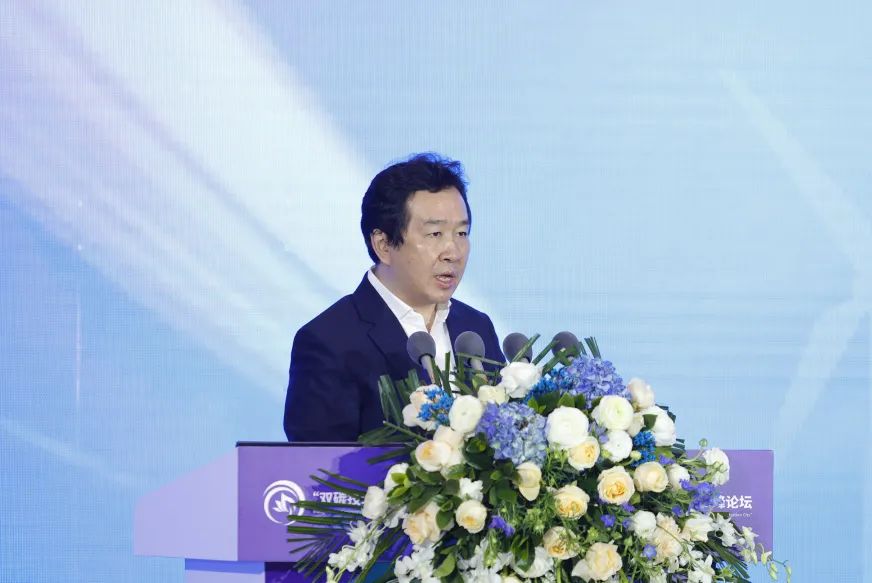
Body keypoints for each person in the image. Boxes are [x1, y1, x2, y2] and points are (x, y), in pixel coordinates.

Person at [283, 153, 503, 441]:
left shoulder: (475, 328)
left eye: (462, 233)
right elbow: (317, 465)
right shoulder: (328, 342)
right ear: (383, 245)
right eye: (435, 234)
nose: (453, 252)